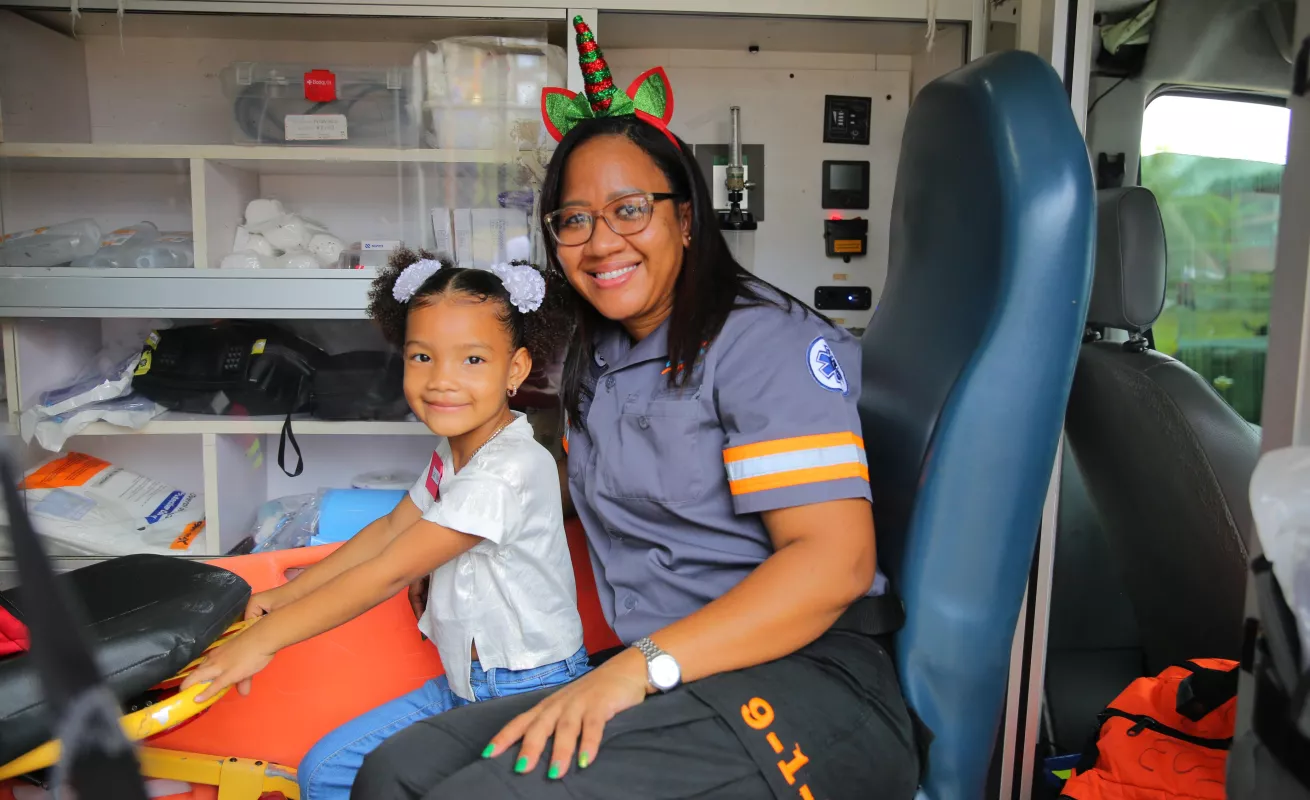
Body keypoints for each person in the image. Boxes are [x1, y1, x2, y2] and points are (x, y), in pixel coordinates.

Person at [351, 18, 921, 800]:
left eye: (629, 209)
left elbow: (836, 564)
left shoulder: (765, 347)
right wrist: (450, 549)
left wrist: (633, 669)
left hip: (806, 679)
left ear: (685, 219)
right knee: (395, 773)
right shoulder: (602, 356)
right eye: (574, 219)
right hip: (672, 677)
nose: (600, 241)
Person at [180, 252, 589, 800]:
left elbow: (390, 572)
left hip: (526, 689)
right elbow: (392, 528)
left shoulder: (508, 470)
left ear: (514, 370)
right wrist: (286, 593)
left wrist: (262, 642)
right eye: (422, 357)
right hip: (464, 686)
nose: (442, 380)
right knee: (326, 774)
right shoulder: (455, 452)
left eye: (472, 359)